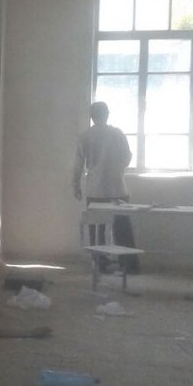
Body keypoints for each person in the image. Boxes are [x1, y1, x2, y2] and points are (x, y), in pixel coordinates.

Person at [73, 101, 139, 272]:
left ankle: (100, 264)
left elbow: (79, 164)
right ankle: (129, 265)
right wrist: (116, 168)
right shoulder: (117, 134)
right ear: (107, 114)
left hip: (95, 189)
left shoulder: (85, 136)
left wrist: (76, 186)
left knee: (97, 229)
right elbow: (127, 158)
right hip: (117, 187)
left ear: (92, 116)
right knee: (122, 227)